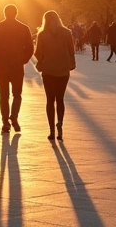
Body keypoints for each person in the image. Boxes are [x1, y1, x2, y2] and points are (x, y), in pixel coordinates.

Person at [0, 4, 34, 134]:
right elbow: (30, 49)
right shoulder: (24, 28)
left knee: (3, 95)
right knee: (17, 94)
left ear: (4, 13)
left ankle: (5, 122)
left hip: (2, 67)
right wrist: (22, 60)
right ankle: (14, 116)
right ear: (16, 13)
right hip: (17, 67)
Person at [34, 11, 76, 141]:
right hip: (63, 70)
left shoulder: (42, 34)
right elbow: (71, 50)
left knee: (50, 100)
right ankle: (60, 124)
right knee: (60, 99)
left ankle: (51, 129)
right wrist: (71, 63)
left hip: (48, 70)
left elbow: (37, 53)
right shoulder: (67, 33)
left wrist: (43, 60)